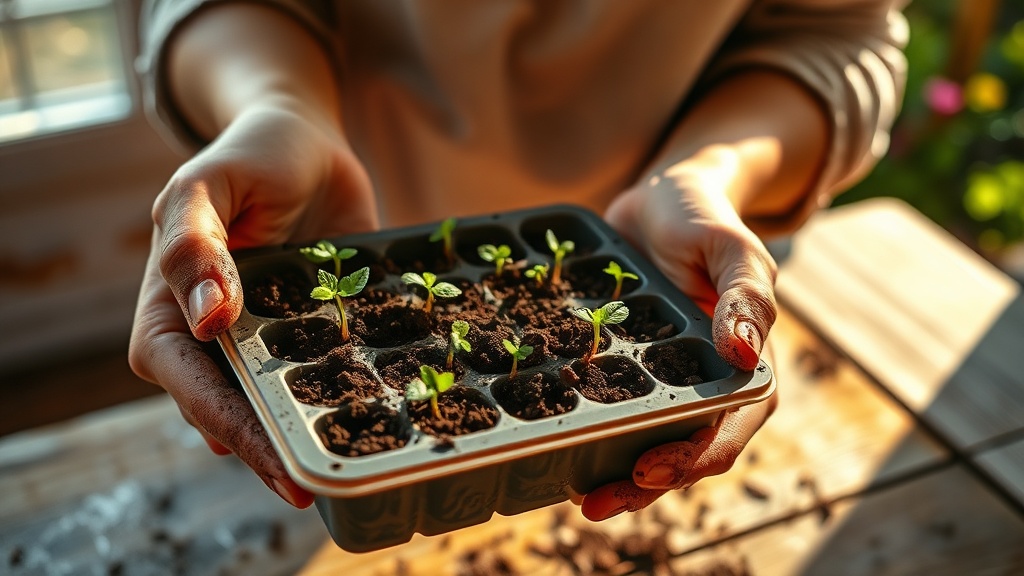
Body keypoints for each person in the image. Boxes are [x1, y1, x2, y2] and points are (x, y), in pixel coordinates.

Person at [130, 0, 907, 521]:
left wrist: (708, 174)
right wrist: (277, 108)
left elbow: (834, 28)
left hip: (666, 262)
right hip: (314, 221)